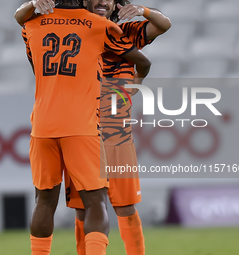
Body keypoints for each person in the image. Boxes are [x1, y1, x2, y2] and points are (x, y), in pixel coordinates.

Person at [15, 1, 170, 254]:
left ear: (116, 3)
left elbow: (162, 27)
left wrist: (143, 11)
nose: (101, 2)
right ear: (83, 1)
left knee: (123, 204)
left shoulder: (121, 30)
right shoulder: (99, 28)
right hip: (84, 124)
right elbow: (144, 61)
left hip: (110, 127)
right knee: (84, 205)